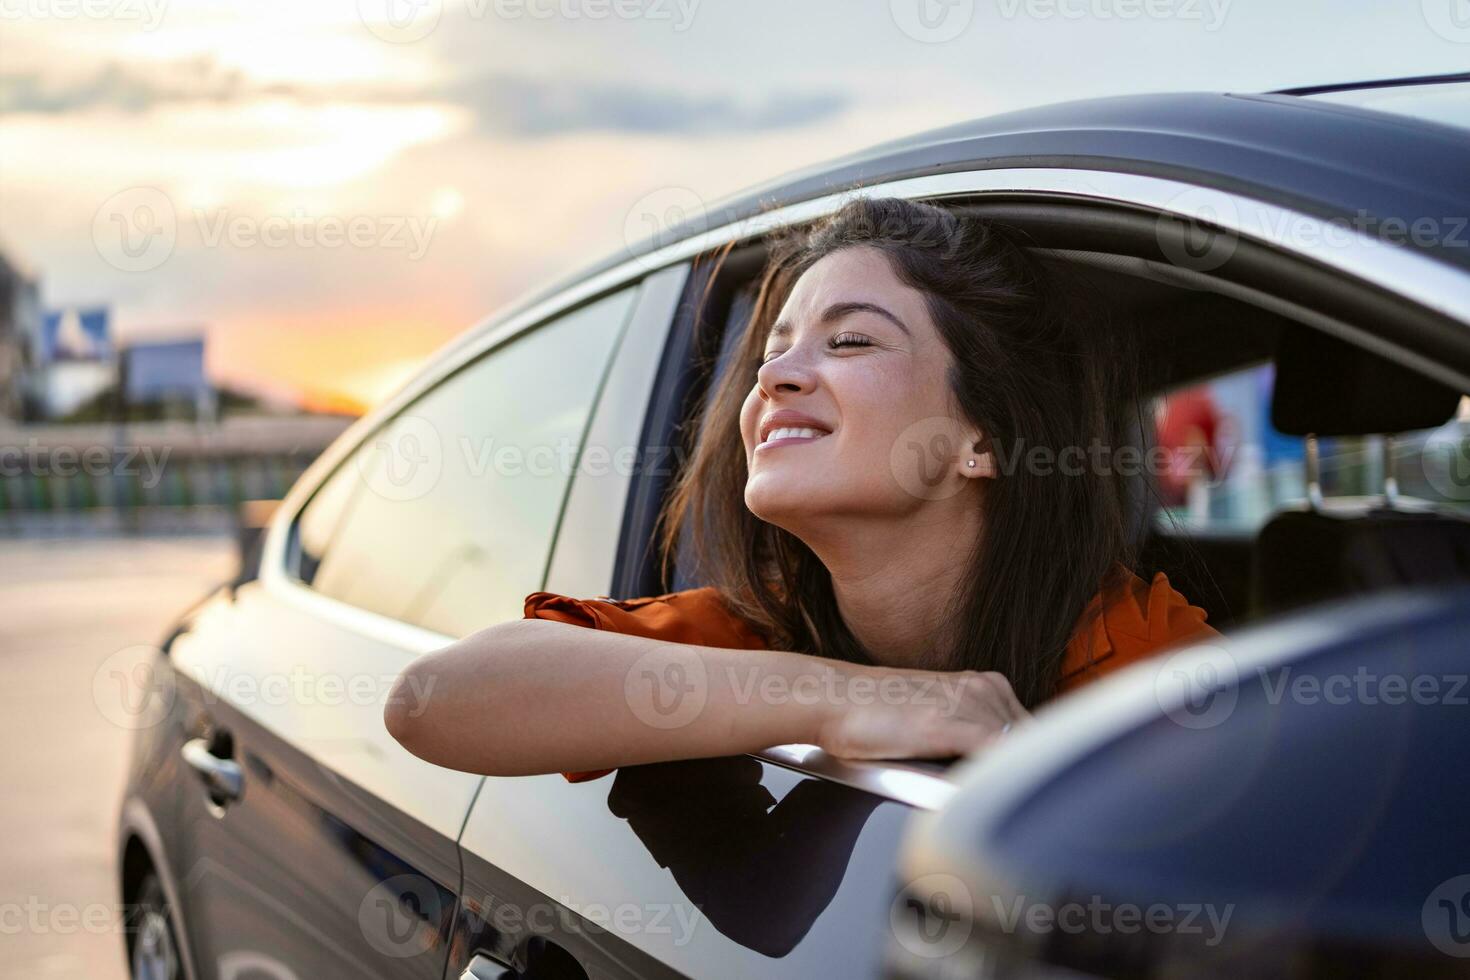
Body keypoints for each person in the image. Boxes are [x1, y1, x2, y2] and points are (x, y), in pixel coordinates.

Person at [385, 196, 1219, 780]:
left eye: (850, 341)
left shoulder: (1132, 650)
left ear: (983, 440)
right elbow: (431, 699)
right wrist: (848, 701)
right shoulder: (759, 633)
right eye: (771, 352)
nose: (774, 375)